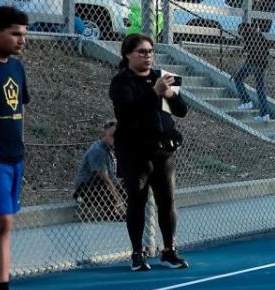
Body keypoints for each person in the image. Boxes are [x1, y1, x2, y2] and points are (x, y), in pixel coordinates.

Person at [109, 33, 190, 272]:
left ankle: (169, 250)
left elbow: (182, 110)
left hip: (162, 151)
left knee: (167, 200)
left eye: (150, 52)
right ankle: (137, 253)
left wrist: (169, 94)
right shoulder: (121, 81)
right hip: (135, 151)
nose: (147, 56)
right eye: (141, 52)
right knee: (137, 200)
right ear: (128, 54)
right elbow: (127, 114)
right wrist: (153, 92)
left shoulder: (163, 78)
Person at [0, 6, 31, 290]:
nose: (21, 40)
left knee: (5, 227)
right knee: (1, 223)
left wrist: (20, 147)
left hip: (13, 157)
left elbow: (21, 108)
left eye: (23, 34)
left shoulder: (16, 68)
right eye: (15, 34)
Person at [73, 121, 125, 220]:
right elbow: (105, 179)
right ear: (104, 135)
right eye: (113, 136)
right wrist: (119, 202)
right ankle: (114, 213)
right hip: (85, 190)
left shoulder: (111, 150)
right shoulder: (98, 151)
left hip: (101, 186)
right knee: (103, 181)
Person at [233, 21, 271, 122]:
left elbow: (250, 49)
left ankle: (247, 101)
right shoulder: (259, 35)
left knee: (237, 79)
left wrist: (245, 53)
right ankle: (265, 114)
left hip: (253, 63)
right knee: (260, 90)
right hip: (263, 65)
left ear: (244, 29)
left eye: (240, 29)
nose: (239, 32)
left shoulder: (248, 36)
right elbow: (267, 48)